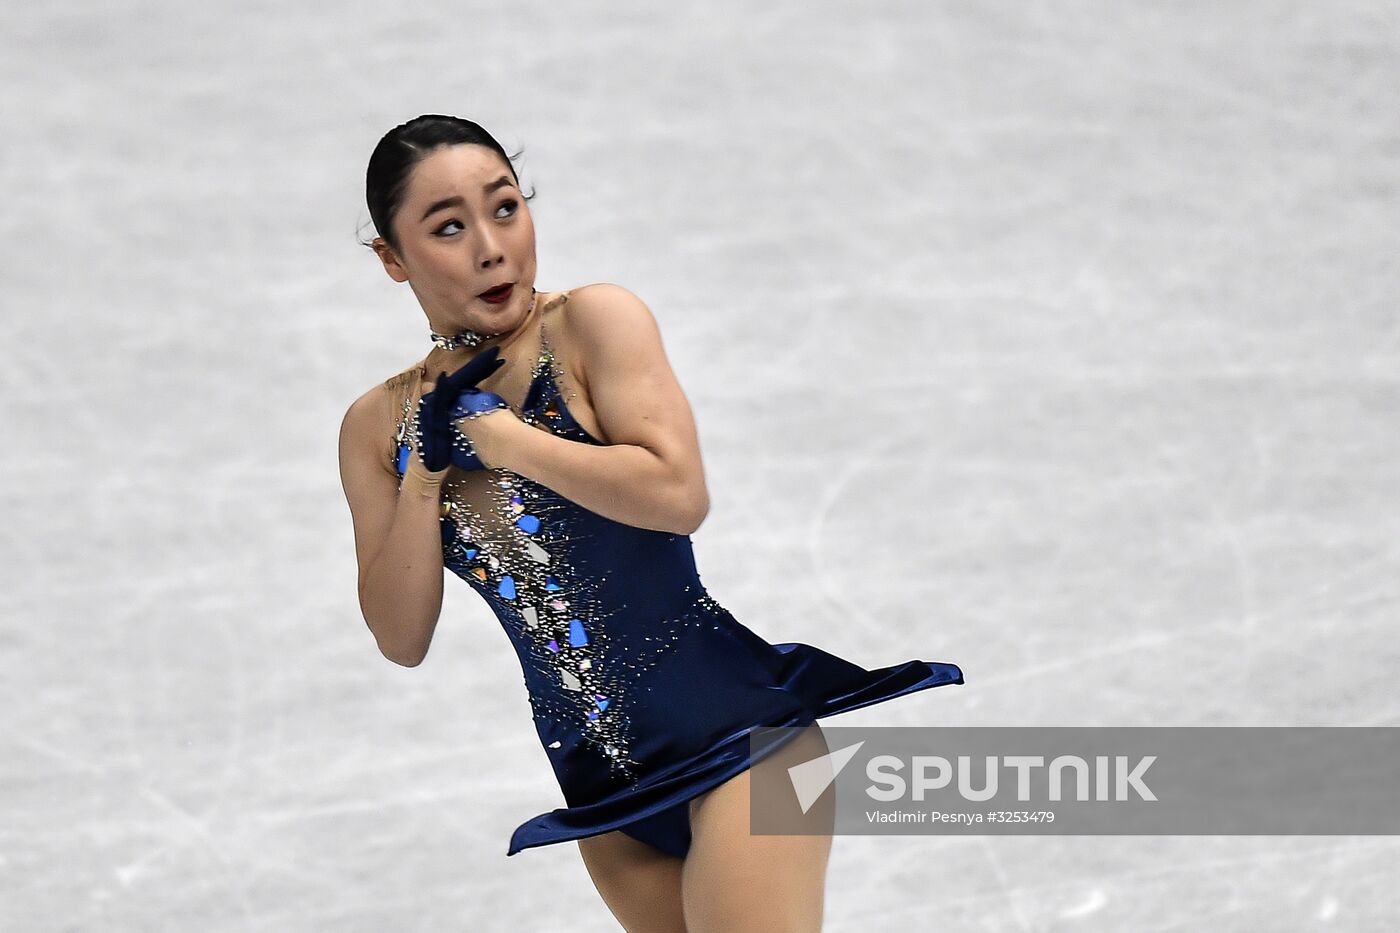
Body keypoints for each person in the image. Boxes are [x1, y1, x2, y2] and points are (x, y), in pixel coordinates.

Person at [338, 114, 965, 933]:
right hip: (611, 797)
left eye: (505, 207)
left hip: (744, 745)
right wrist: (424, 476)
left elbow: (677, 491)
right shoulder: (374, 426)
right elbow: (400, 634)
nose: (492, 246)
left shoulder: (595, 324)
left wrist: (504, 440)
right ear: (393, 257)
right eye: (448, 227)